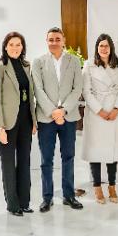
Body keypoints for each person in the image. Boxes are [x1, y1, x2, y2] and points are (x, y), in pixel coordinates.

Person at [32, 27, 84, 212]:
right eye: (50, 39)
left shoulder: (75, 61)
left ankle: (69, 196)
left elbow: (77, 88)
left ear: (63, 40)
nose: (54, 42)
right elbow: (38, 89)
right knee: (46, 159)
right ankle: (47, 198)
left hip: (68, 117)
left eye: (57, 39)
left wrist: (63, 110)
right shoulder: (38, 62)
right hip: (46, 118)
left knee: (68, 157)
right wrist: (53, 111)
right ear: (46, 41)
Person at [81, 34, 118, 204]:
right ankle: (97, 187)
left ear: (111, 48)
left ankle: (112, 186)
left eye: (107, 46)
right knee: (95, 151)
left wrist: (117, 108)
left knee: (113, 152)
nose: (104, 49)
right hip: (96, 114)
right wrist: (99, 111)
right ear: (97, 48)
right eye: (101, 46)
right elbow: (86, 91)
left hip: (115, 113)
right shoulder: (88, 66)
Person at [0, 32, 37, 216]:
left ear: (22, 47)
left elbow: (30, 94)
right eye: (11, 44)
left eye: (18, 44)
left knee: (24, 162)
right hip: (7, 123)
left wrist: (33, 120)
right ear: (5, 46)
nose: (15, 48)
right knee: (9, 164)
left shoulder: (26, 65)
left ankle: (24, 202)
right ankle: (13, 204)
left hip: (26, 121)